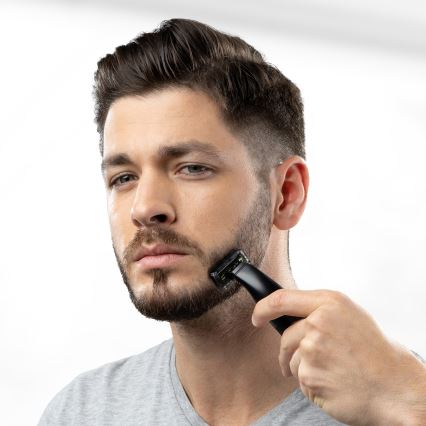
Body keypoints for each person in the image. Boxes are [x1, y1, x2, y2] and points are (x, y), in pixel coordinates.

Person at [38, 18, 426, 425]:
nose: (144, 207)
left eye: (192, 168)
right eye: (123, 178)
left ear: (286, 193)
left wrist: (409, 402)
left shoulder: (397, 405)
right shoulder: (80, 412)